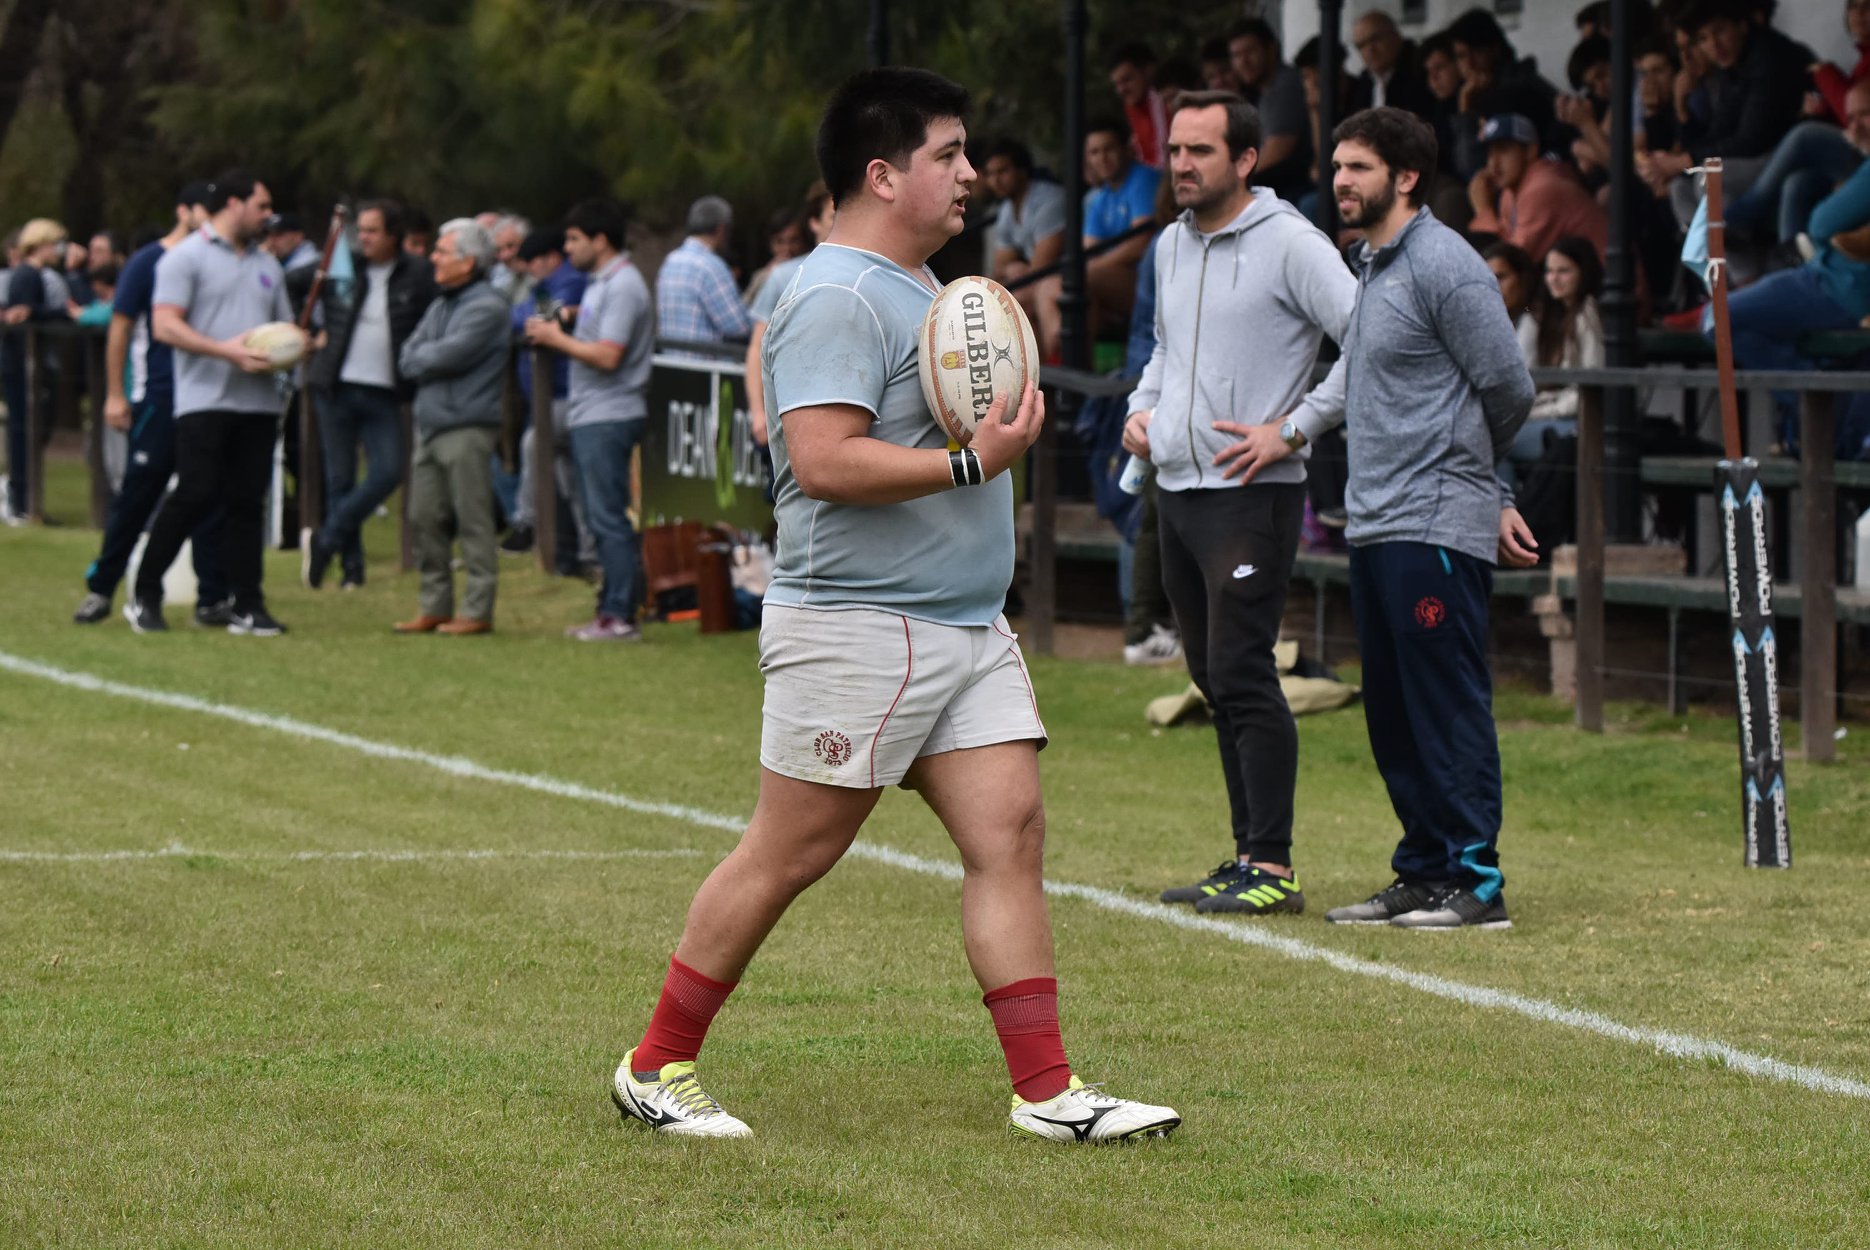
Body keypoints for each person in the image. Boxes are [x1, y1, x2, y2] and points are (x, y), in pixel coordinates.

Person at [609, 66, 1178, 1143]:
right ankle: (655, 1063)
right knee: (789, 852)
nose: (972, 176)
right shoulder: (833, 293)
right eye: (948, 155)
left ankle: (1049, 1091)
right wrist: (975, 464)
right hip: (859, 624)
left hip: (962, 624)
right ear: (882, 172)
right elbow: (819, 460)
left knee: (1009, 835)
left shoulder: (925, 289)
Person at [1236, 107, 1536, 929]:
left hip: (1434, 521)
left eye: (1358, 167)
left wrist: (1478, 484)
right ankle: (1424, 869)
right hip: (1375, 523)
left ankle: (1476, 883)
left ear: (1405, 178)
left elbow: (1508, 386)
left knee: (1445, 706)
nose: (1339, 180)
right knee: (1394, 713)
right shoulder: (1372, 267)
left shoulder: (1447, 265)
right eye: (1336, 165)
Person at [1120, 91, 1357, 917]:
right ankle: (1247, 856)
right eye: (1175, 150)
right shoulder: (1169, 248)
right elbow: (1162, 353)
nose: (1181, 165)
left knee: (1242, 673)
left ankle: (1275, 867)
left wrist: (1291, 431)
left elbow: (1373, 338)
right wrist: (1138, 414)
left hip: (1251, 496)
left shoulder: (1293, 244)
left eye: (1200, 151)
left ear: (1247, 160)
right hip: (1177, 490)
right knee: (1211, 677)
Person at [126, 169, 292, 636]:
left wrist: (299, 345)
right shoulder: (185, 258)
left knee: (246, 505)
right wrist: (227, 351)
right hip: (203, 400)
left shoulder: (267, 264)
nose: (267, 216)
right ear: (234, 204)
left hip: (257, 404)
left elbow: (282, 329)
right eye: (261, 206)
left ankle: (247, 603)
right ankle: (145, 592)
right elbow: (165, 326)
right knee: (194, 494)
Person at [72, 182, 229, 625]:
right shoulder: (149, 262)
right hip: (159, 398)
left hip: (207, 399)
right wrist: (116, 395)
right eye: (206, 207)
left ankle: (213, 596)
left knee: (206, 495)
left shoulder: (219, 262)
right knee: (139, 495)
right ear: (184, 211)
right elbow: (120, 328)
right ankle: (102, 587)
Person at [524, 198, 655, 642]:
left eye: (575, 238)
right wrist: (573, 318)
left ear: (601, 240)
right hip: (593, 413)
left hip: (609, 414)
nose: (567, 247)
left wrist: (554, 337)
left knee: (608, 518)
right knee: (601, 518)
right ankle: (609, 609)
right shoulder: (602, 282)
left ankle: (621, 616)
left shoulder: (624, 285)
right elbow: (602, 329)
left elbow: (608, 354)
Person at [1718, 79, 1870, 449]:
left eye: (1866, 114)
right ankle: (1814, 392)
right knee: (1799, 182)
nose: (1855, 127)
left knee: (1720, 319)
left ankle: (1817, 396)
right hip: (1825, 276)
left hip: (1840, 289)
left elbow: (1822, 224)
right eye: (1850, 118)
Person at [301, 198, 437, 590]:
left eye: (373, 231)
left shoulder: (418, 274)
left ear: (394, 235)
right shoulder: (344, 266)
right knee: (340, 477)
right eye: (360, 231)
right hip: (336, 386)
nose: (364, 238)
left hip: (385, 391)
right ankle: (351, 570)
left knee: (389, 470)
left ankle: (327, 539)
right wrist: (307, 334)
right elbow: (297, 285)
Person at [393, 219, 510, 635]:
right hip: (430, 426)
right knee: (424, 517)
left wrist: (426, 358)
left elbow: (447, 356)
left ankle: (477, 610)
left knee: (473, 519)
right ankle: (435, 605)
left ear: (469, 262)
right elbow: (408, 356)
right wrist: (426, 358)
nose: (433, 258)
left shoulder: (488, 307)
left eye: (442, 252)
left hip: (467, 426)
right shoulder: (441, 304)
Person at [500, 226, 595, 567]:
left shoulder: (570, 281)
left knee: (535, 446)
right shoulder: (543, 284)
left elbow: (538, 318)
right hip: (549, 397)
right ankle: (586, 550)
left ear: (550, 258)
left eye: (533, 260)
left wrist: (532, 319)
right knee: (570, 477)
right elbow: (517, 317)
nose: (528, 268)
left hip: (568, 394)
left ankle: (526, 523)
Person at [745, 181, 835, 445]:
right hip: (786, 428)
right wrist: (758, 413)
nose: (841, 221)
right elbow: (756, 348)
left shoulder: (872, 276)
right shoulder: (784, 277)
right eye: (833, 215)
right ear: (814, 223)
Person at [1510, 237, 1604, 477]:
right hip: (1555, 415)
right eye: (1549, 271)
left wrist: (1537, 411)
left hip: (1579, 424)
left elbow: (1588, 387)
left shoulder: (1588, 313)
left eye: (1564, 271)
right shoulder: (1557, 314)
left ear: (1584, 272)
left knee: (1490, 445)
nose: (1554, 278)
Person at [1, 218, 72, 524]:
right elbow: (24, 316)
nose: (60, 250)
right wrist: (65, 312)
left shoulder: (30, 275)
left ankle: (23, 499)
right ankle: (21, 501)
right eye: (57, 243)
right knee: (24, 432)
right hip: (22, 367)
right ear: (42, 243)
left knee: (27, 432)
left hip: (22, 366)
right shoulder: (29, 276)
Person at [1469, 113, 1608, 266]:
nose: (1493, 164)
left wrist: (1483, 210)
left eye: (1503, 150)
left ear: (1530, 150)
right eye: (1490, 153)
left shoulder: (1542, 189)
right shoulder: (1510, 192)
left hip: (1609, 282)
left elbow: (1510, 266)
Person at [982, 139, 1066, 347]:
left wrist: (1016, 271)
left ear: (1022, 171)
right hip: (1038, 281)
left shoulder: (1050, 200)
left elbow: (1041, 267)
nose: (996, 181)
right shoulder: (1007, 208)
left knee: (1011, 304)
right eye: (990, 174)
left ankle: (1051, 373)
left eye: (1003, 171)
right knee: (999, 301)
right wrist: (1012, 269)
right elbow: (999, 268)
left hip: (1062, 279)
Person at [1227, 19, 1313, 203]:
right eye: (1236, 55)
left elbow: (1278, 150)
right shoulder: (1259, 92)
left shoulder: (1286, 84)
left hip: (1297, 185)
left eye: (1250, 51)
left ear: (1271, 49)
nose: (1244, 62)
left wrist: (1230, 177)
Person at [657, 194, 752, 352]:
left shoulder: (670, 261)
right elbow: (738, 327)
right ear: (721, 228)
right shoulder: (711, 266)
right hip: (703, 369)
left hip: (671, 363)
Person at [1347, 10, 1435, 118]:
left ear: (1396, 36)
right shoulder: (1364, 83)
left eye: (1375, 39)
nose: (1370, 49)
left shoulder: (1423, 69)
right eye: (1361, 45)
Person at [1108, 42, 1168, 168]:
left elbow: (1164, 159)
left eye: (1127, 79)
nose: (1121, 90)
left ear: (1148, 71)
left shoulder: (1164, 100)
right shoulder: (1132, 107)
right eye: (1117, 84)